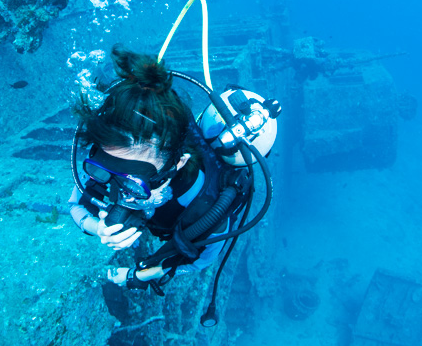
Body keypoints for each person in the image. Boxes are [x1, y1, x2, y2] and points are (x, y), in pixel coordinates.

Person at [68, 44, 278, 299]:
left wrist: (137, 275)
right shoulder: (107, 166)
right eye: (102, 170)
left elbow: (200, 262)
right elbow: (76, 203)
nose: (119, 192)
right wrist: (96, 226)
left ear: (178, 164)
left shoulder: (208, 208)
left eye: (134, 183)